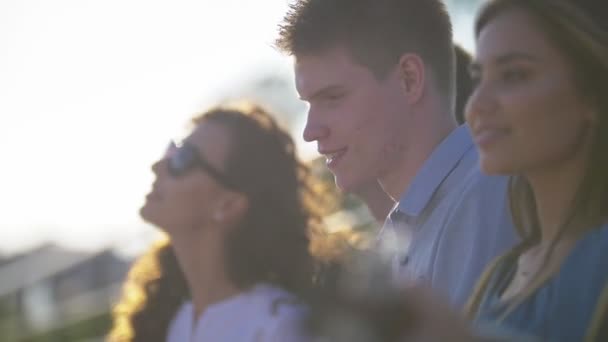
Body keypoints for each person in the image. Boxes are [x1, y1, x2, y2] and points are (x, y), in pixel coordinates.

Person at [275, 0, 516, 308]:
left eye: (332, 98)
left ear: (409, 79)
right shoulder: (400, 234)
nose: (310, 130)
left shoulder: (488, 199)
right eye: (309, 103)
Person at [108, 103, 327, 342]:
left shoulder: (278, 325)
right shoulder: (165, 320)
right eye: (172, 150)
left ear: (228, 204)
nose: (158, 166)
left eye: (183, 158)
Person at [462, 0, 608, 340]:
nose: (476, 105)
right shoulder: (498, 276)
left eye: (513, 75)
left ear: (593, 94)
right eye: (477, 78)